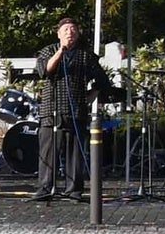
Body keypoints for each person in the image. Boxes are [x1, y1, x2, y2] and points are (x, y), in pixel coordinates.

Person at [32, 16, 114, 198]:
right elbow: (44, 70)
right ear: (59, 34)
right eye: (66, 30)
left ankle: (74, 190)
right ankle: (45, 188)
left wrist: (92, 94)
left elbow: (102, 79)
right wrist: (61, 51)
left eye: (73, 29)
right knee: (48, 151)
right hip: (51, 108)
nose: (70, 32)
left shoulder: (86, 54)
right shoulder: (48, 50)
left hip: (76, 109)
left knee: (75, 153)